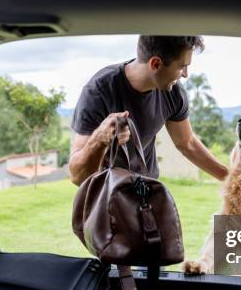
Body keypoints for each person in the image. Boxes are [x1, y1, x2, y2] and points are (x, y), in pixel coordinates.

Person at [69, 35, 229, 185]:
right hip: (105, 197)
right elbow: (77, 176)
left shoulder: (174, 93)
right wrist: (101, 138)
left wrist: (232, 179)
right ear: (156, 64)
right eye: (182, 66)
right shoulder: (98, 91)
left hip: (146, 194)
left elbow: (187, 144)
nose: (186, 75)